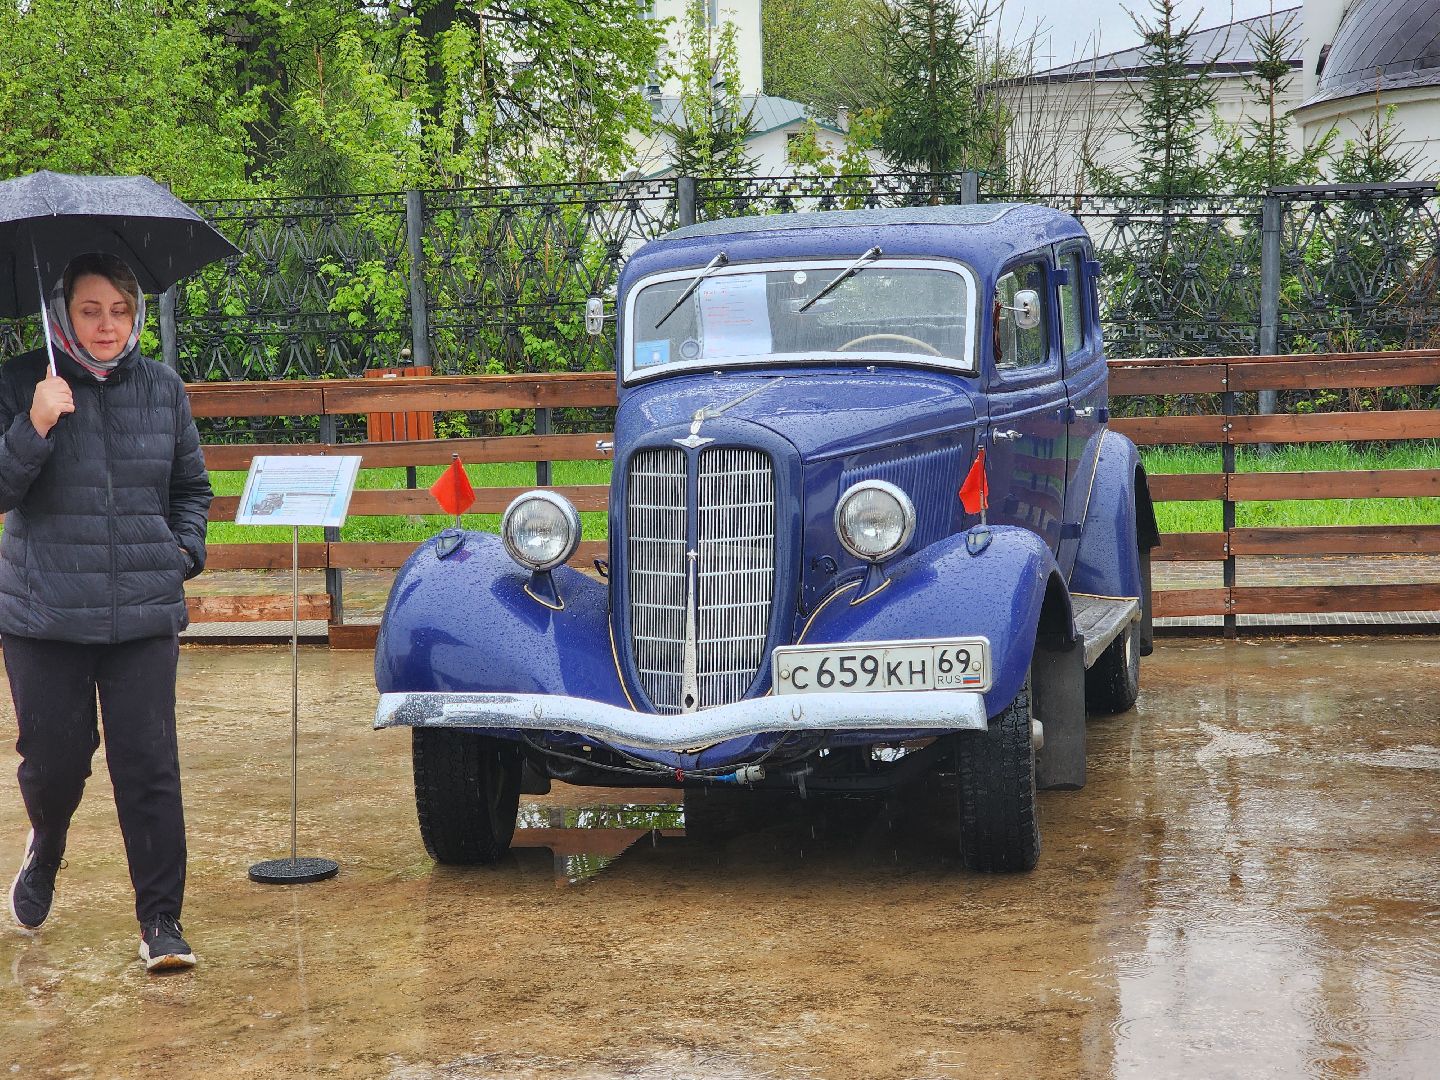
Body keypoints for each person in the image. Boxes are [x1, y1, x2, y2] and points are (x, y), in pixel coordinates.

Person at [0, 252, 212, 973]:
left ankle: (161, 921)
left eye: (120, 310)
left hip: (142, 613)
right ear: (62, 312)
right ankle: (47, 841)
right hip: (45, 615)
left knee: (149, 766)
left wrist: (182, 551)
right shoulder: (22, 382)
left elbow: (191, 487)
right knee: (55, 764)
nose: (106, 325)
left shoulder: (162, 388)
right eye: (90, 311)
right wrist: (34, 424)